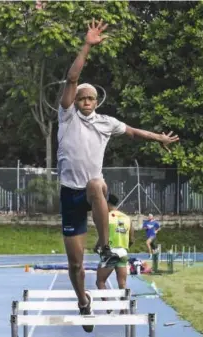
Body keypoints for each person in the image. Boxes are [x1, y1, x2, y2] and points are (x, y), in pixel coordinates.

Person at [58, 18, 179, 332]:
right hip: (68, 192)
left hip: (90, 191)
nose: (85, 102)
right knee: (75, 264)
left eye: (90, 99)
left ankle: (103, 244)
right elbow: (72, 79)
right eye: (81, 98)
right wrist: (87, 44)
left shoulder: (106, 122)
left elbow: (135, 132)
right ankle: (83, 302)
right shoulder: (67, 115)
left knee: (97, 182)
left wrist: (160, 138)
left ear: (96, 102)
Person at [95, 194, 134, 314]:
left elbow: (103, 236)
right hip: (123, 253)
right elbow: (132, 240)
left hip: (110, 253)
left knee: (100, 281)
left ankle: (108, 305)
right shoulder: (127, 218)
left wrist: (96, 247)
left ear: (107, 204)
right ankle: (123, 309)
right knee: (122, 283)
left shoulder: (106, 217)